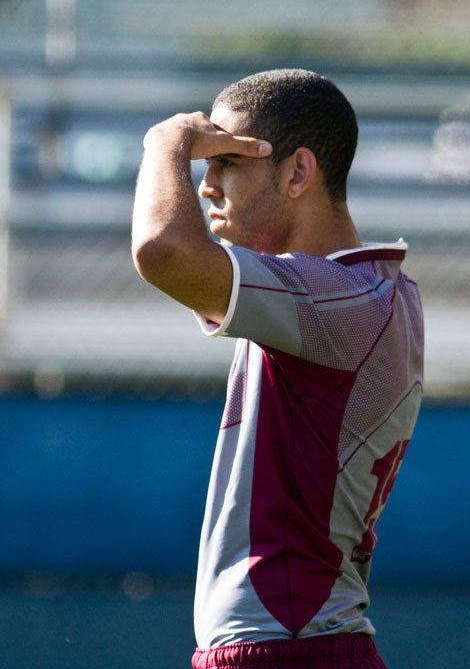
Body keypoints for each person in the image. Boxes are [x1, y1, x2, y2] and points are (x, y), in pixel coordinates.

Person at [131, 69, 424, 669]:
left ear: (297, 173)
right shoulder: (363, 290)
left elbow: (163, 251)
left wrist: (166, 143)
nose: (208, 185)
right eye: (207, 163)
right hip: (306, 643)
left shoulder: (333, 300)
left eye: (227, 162)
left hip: (286, 647)